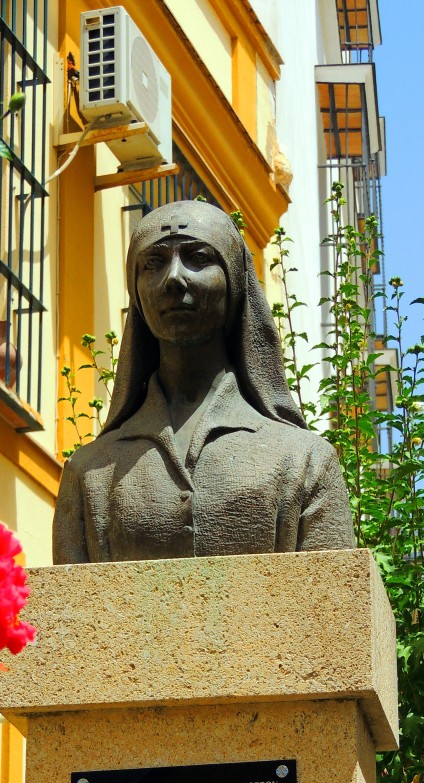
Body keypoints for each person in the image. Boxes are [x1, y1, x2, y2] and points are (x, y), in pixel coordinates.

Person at [53, 200, 355, 563]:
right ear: (136, 292)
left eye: (198, 258)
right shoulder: (88, 473)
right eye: (154, 263)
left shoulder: (304, 459)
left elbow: (332, 606)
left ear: (235, 284)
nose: (174, 277)